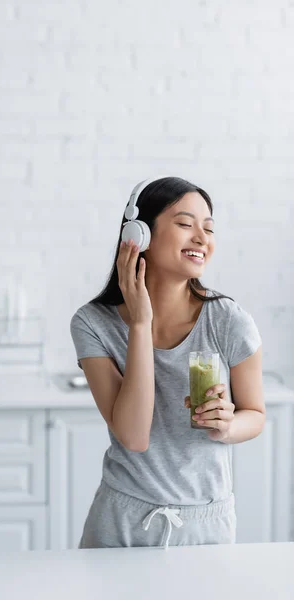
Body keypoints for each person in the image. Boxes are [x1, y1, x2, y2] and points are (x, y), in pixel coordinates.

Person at [70, 176, 265, 550]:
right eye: (185, 224)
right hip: (122, 522)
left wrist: (228, 425)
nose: (201, 238)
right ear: (139, 235)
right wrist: (141, 324)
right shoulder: (93, 323)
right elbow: (134, 436)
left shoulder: (228, 320)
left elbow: (254, 414)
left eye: (208, 229)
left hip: (206, 524)